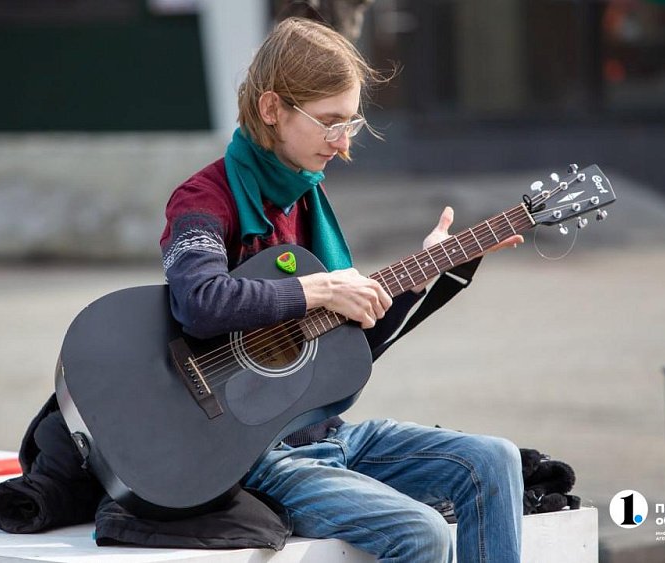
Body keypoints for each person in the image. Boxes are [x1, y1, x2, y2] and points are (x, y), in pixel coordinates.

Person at [157, 17, 526, 563]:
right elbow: (198, 300)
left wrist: (424, 276)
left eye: (350, 122)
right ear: (271, 109)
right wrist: (319, 288)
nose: (343, 140)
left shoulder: (307, 200)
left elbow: (338, 350)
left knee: (495, 460)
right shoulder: (204, 199)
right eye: (329, 122)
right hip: (255, 454)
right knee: (420, 532)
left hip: (326, 434)